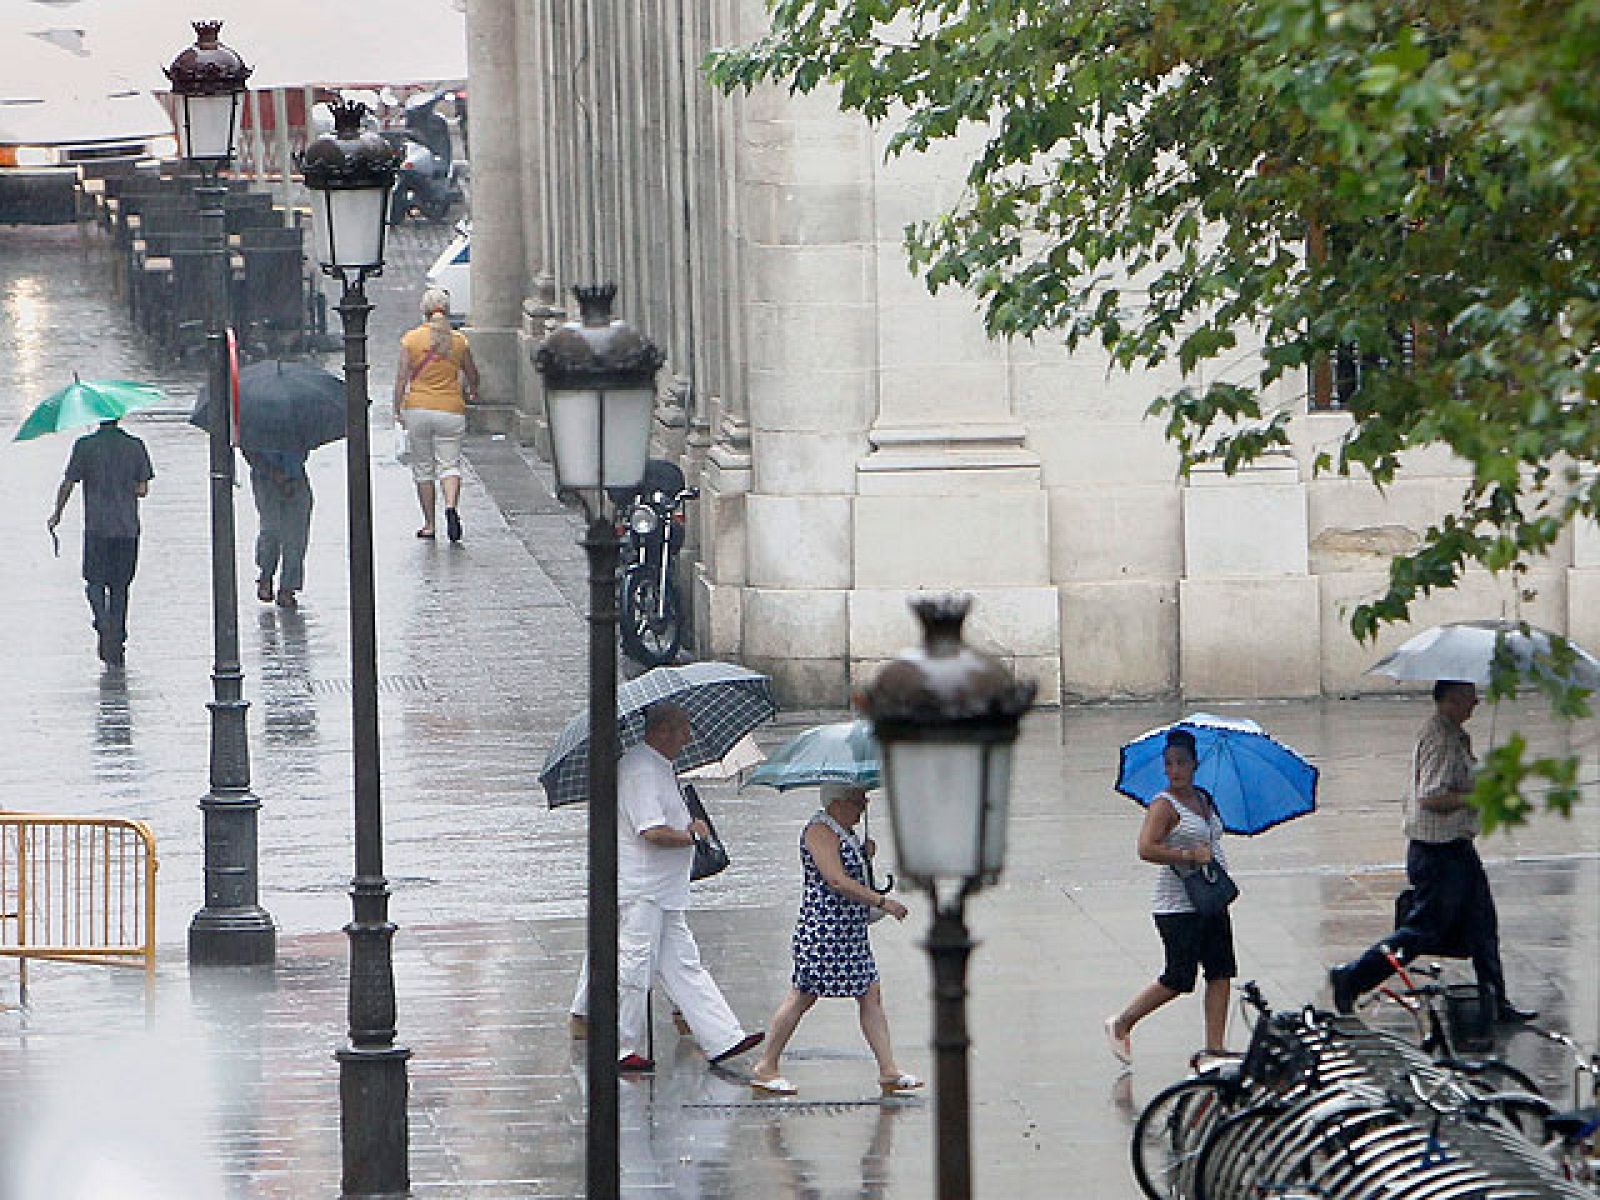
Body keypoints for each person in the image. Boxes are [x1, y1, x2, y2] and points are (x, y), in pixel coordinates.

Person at [568, 703, 764, 1072]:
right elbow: (651, 831)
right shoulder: (641, 770)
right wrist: (692, 836)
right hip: (644, 890)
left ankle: (723, 1037)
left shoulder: (658, 766)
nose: (687, 737)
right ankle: (622, 1046)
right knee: (635, 965)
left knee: (684, 965)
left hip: (664, 891)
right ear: (661, 730)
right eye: (682, 729)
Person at [1329, 680, 1537, 1022]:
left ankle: (1495, 1001)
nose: (1476, 702)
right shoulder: (1440, 738)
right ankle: (1353, 976)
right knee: (1424, 931)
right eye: (1470, 696)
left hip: (1456, 846)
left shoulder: (1454, 734)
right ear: (1451, 699)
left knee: (1482, 926)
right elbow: (1431, 795)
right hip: (1438, 852)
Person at [749, 784, 923, 1097]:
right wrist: (883, 902)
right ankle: (766, 1065)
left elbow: (849, 872)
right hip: (824, 931)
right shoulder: (820, 831)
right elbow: (836, 879)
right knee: (803, 995)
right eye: (857, 801)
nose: (863, 807)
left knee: (870, 994)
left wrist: (864, 855)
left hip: (849, 931)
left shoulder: (844, 832)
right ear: (837, 803)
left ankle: (888, 1069)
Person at [1105, 728, 1237, 1067]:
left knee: (1221, 971)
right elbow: (1146, 848)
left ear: (1194, 764)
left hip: (1210, 899)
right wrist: (1189, 855)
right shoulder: (1164, 805)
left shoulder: (1204, 799)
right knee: (1178, 977)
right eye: (1169, 763)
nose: (1174, 770)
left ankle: (1215, 1048)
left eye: (1181, 763)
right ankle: (1122, 1022)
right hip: (1178, 906)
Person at [46, 418, 155, 667]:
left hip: (97, 528)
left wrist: (57, 513)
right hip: (127, 528)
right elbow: (142, 490)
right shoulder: (135, 445)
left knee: (94, 582)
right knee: (120, 587)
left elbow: (68, 483)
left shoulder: (84, 445)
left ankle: (103, 622)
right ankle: (117, 638)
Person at [394, 287, 478, 542]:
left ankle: (430, 524)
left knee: (423, 468)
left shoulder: (411, 340)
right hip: (451, 409)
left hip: (418, 409)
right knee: (450, 465)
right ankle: (450, 506)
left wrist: (397, 407)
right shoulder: (459, 341)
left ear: (424, 311)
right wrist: (472, 390)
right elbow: (472, 374)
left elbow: (402, 378)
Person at [243, 449, 312, 609]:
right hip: (266, 478)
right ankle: (266, 576)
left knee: (296, 535)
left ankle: (287, 588)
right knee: (272, 529)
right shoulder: (256, 433)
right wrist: (273, 472)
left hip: (295, 476)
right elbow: (247, 449)